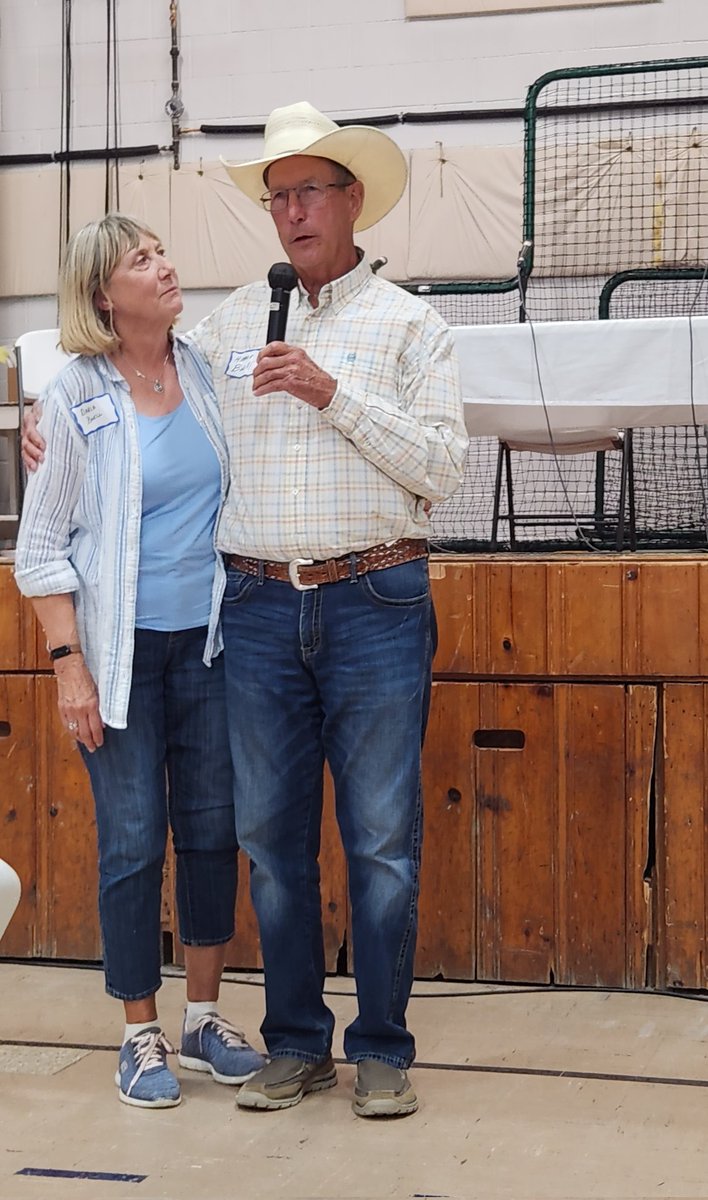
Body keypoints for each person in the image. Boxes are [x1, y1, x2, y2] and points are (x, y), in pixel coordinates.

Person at [23, 102, 469, 1118]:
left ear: (354, 201)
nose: (294, 211)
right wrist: (32, 422)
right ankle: (295, 1042)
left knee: (382, 841)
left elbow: (444, 470)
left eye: (311, 190)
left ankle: (383, 1046)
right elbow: (98, 361)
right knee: (267, 839)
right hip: (256, 613)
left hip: (373, 598)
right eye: (278, 196)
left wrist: (330, 394)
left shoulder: (415, 327)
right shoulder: (224, 328)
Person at [14, 214, 264, 1109]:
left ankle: (203, 1020)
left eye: (161, 251)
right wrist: (67, 664)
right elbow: (39, 550)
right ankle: (138, 1034)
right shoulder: (74, 398)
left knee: (209, 832)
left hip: (208, 648)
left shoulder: (200, 368)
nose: (164, 267)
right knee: (128, 844)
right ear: (101, 295)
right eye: (140, 260)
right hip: (117, 660)